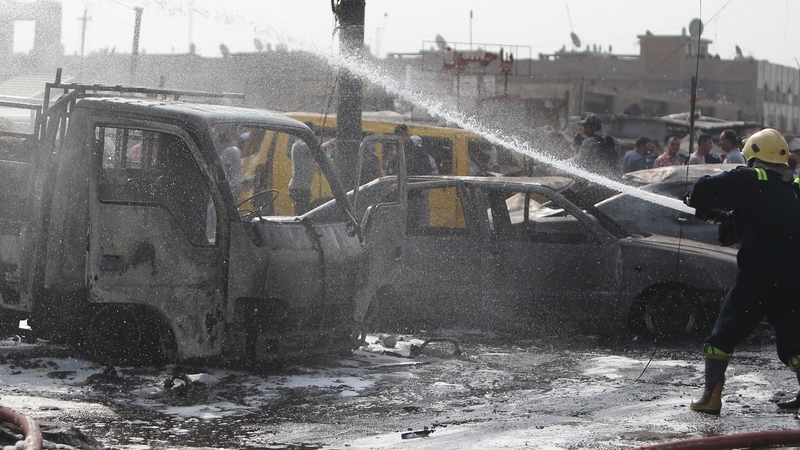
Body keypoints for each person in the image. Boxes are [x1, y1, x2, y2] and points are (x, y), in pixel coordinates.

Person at [684, 128, 800, 415]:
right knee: (793, 337)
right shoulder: (793, 188)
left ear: (753, 156)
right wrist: (727, 217)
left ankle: (710, 397)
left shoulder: (749, 178)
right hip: (793, 273)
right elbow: (764, 220)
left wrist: (693, 202)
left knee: (724, 333)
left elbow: (701, 191)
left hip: (759, 272)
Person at [288, 122, 317, 215]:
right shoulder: (299, 145)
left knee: (302, 210)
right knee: (302, 212)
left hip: (303, 186)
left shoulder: (301, 145)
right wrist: (329, 143)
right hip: (300, 186)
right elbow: (315, 148)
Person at [217, 130, 243, 201]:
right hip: (238, 182)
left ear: (221, 142)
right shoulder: (236, 149)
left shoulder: (228, 151)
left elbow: (227, 170)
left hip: (231, 185)